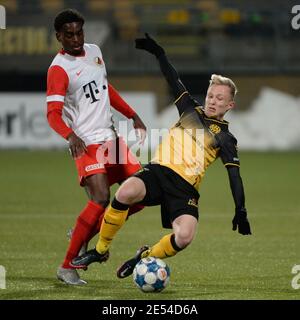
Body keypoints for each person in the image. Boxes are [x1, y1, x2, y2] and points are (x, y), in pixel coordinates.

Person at [71, 33, 252, 278]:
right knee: (125, 192)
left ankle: (143, 258)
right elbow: (172, 77)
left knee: (185, 236)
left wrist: (240, 209)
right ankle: (100, 250)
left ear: (230, 105)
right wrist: (159, 53)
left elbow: (234, 175)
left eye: (220, 98)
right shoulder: (190, 108)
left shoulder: (227, 139)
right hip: (158, 171)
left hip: (185, 189)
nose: (212, 101)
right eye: (210, 95)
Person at [46, 9, 146, 285]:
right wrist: (70, 135)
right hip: (87, 143)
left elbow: (104, 87)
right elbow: (52, 113)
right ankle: (67, 266)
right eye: (69, 34)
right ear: (59, 36)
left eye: (79, 32)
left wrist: (132, 114)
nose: (76, 39)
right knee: (101, 198)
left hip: (111, 139)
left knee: (140, 195)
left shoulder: (94, 51)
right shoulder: (59, 69)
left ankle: (83, 233)